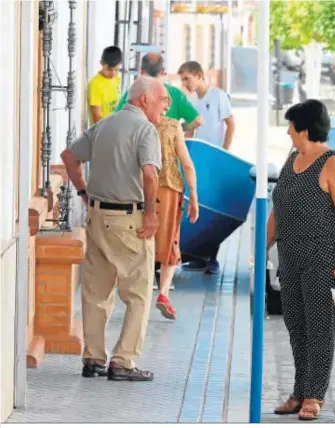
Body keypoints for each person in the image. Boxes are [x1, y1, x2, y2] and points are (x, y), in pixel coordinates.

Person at [60, 76, 170, 382]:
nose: (166, 106)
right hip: (128, 222)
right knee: (137, 294)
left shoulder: (105, 124)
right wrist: (151, 215)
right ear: (144, 99)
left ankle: (93, 359)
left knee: (96, 292)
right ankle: (123, 361)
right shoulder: (145, 130)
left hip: (97, 219)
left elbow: (69, 157)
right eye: (163, 100)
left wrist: (83, 193)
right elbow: (150, 174)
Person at [267, 100, 335, 421]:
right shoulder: (292, 159)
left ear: (304, 129)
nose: (288, 132)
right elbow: (279, 209)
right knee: (296, 327)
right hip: (289, 258)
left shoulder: (332, 164)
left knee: (319, 328)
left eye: (291, 126)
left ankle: (314, 396)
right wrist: (262, 247)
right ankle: (299, 391)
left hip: (321, 258)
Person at [177, 60, 236, 275]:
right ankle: (197, 257)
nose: (185, 83)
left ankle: (213, 258)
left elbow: (230, 123)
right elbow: (191, 129)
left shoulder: (218, 96)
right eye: (182, 80)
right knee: (196, 205)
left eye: (187, 79)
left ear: (199, 75)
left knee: (214, 207)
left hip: (216, 159)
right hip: (199, 160)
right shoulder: (191, 100)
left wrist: (225, 150)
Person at [154, 115, 199, 320]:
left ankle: (140, 296)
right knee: (170, 243)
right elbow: (187, 164)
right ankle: (163, 293)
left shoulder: (139, 123)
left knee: (142, 243)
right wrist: (194, 196)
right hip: (169, 189)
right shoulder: (172, 126)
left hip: (140, 188)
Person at [115, 53, 203, 135]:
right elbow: (198, 121)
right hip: (167, 149)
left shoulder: (132, 93)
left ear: (141, 71)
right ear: (163, 71)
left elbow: (116, 122)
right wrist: (178, 127)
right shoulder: (176, 94)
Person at [87, 46, 122, 125]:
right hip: (101, 132)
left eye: (116, 69)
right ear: (101, 64)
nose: (113, 73)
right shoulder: (95, 84)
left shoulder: (117, 79)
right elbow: (96, 117)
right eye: (109, 69)